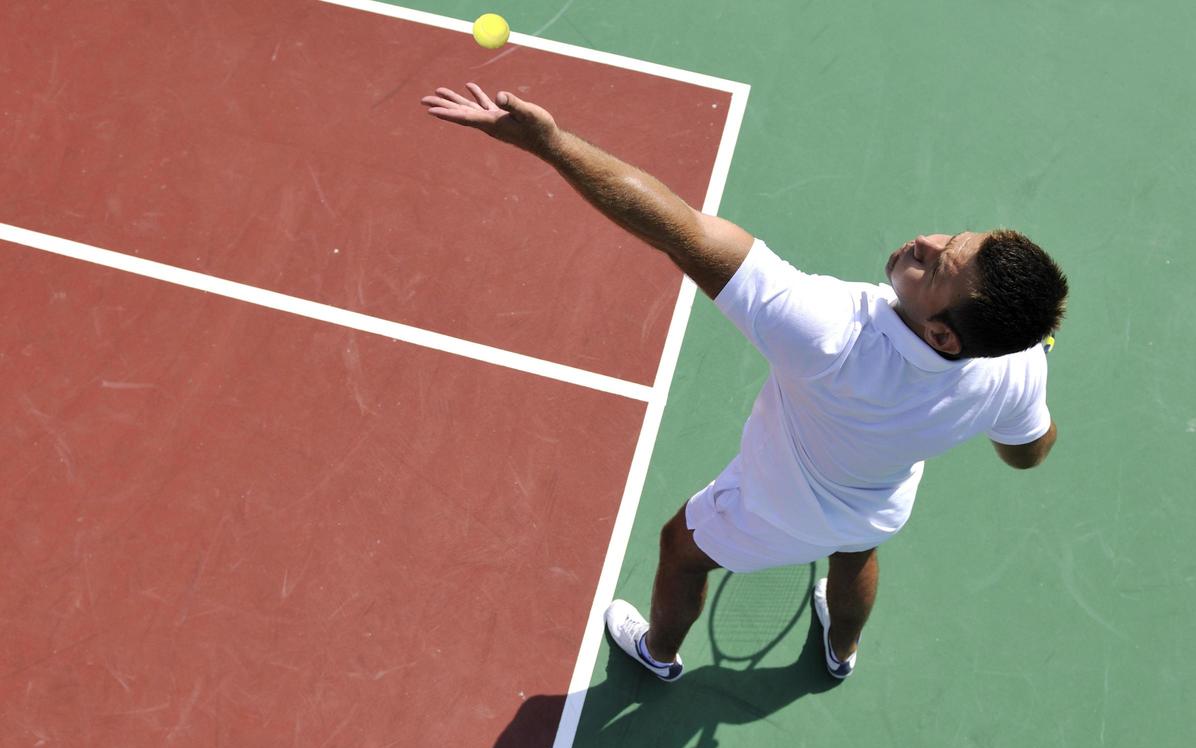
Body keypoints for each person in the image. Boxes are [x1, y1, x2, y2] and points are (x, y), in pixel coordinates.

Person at [421, 83, 1068, 683]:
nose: (924, 240)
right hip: (878, 505)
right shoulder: (1017, 364)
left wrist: (551, 145)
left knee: (681, 548)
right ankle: (842, 651)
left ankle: (658, 653)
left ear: (945, 336)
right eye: (951, 236)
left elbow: (679, 228)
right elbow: (1028, 452)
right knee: (855, 554)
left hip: (774, 507)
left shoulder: (827, 334)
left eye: (936, 265)